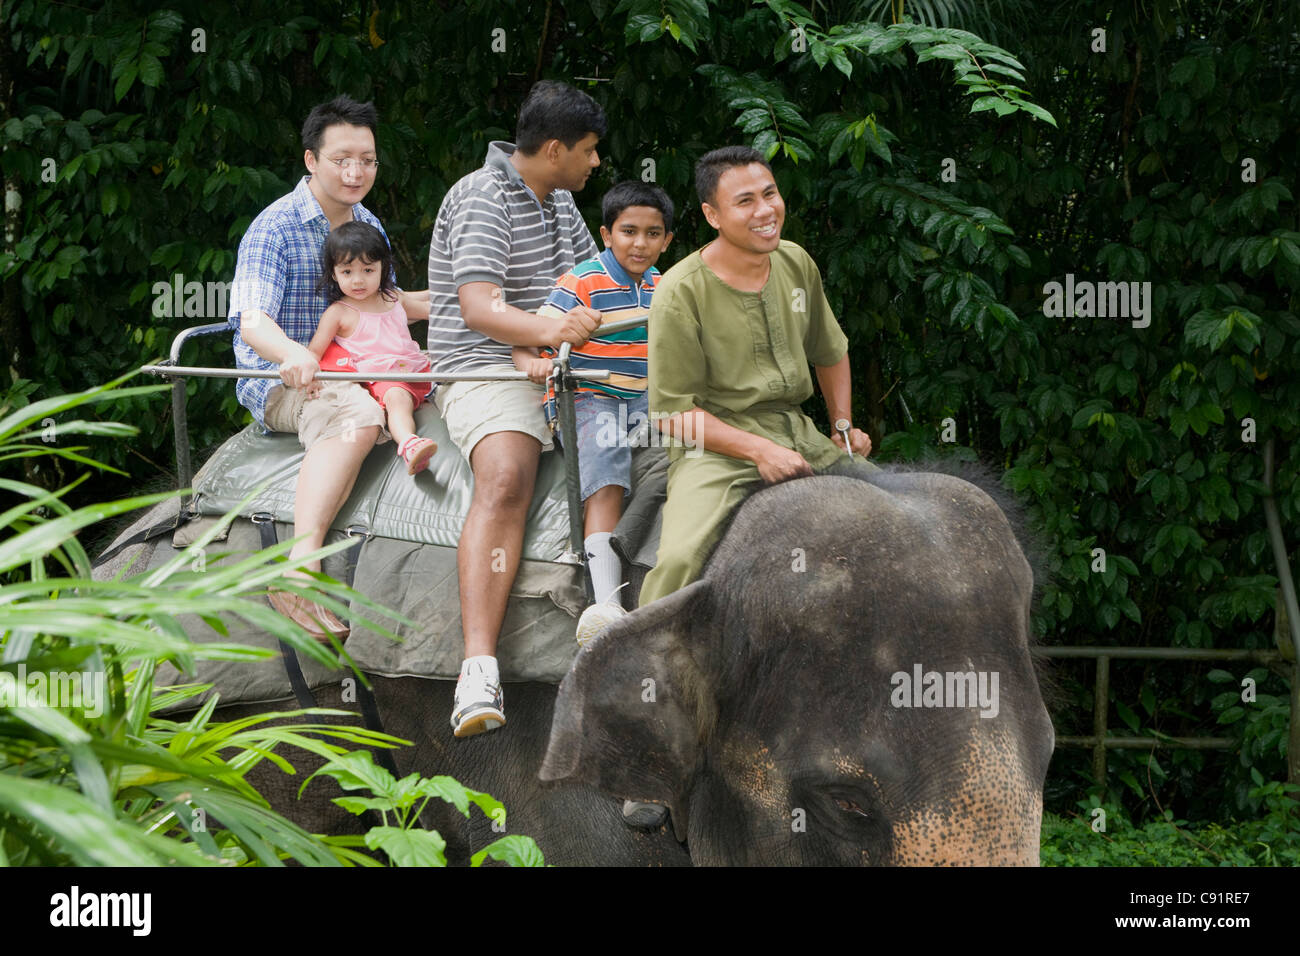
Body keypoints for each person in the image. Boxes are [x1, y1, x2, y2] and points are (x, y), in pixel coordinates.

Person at [426, 80, 605, 737]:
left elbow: (597, 282)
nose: (595, 163)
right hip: (481, 366)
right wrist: (545, 335)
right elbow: (479, 309)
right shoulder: (481, 194)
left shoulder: (558, 202)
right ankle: (477, 670)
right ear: (555, 149)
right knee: (506, 475)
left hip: (552, 361)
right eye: (588, 152)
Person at [639, 145, 876, 610]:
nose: (766, 211)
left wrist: (843, 426)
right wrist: (760, 451)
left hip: (800, 435)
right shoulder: (678, 292)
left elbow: (830, 350)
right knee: (679, 560)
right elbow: (672, 413)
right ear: (712, 215)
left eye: (770, 194)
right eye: (745, 201)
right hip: (715, 451)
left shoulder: (796, 262)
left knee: (895, 520)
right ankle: (640, 662)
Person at [229, 95, 426, 641]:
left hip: (364, 368)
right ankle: (297, 571)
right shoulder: (275, 227)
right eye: (342, 159)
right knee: (356, 417)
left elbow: (390, 301)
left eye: (367, 159)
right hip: (293, 380)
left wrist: (480, 302)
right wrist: (294, 354)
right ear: (311, 160)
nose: (356, 171)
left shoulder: (369, 223)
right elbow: (251, 321)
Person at [511, 180, 673, 644]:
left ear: (667, 240)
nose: (640, 243)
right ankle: (606, 603)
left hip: (643, 398)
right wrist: (536, 367)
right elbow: (529, 337)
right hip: (588, 393)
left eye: (652, 233)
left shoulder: (664, 285)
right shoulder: (583, 280)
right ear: (606, 234)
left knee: (692, 444)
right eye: (629, 231)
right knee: (608, 471)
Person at [309, 221, 437, 475]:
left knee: (452, 371)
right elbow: (314, 351)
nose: (358, 280)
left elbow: (432, 310)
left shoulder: (392, 298)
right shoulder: (339, 313)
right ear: (334, 274)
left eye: (368, 270)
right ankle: (409, 443)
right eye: (347, 272)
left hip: (418, 367)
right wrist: (311, 378)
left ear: (382, 269)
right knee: (397, 399)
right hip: (383, 379)